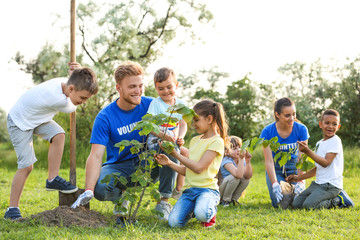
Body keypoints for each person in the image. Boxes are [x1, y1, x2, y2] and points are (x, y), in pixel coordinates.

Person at [71, 61, 178, 220]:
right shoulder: (105, 117)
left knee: (170, 145)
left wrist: (176, 135)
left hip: (148, 164)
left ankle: (164, 201)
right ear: (118, 88)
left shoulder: (151, 105)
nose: (138, 91)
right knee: (99, 187)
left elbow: (175, 121)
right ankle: (122, 196)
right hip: (119, 166)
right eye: (132, 87)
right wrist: (88, 190)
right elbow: (95, 156)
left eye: (140, 85)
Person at [4, 63, 98, 220]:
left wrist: (79, 72)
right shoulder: (58, 99)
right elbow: (71, 107)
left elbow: (74, 79)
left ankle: (52, 179)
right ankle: (12, 209)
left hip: (37, 118)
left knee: (58, 135)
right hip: (19, 121)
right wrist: (75, 73)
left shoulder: (66, 83)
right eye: (82, 98)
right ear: (71, 89)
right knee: (26, 166)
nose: (83, 102)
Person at [155, 99, 228, 228]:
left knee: (203, 214)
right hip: (189, 192)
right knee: (174, 223)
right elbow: (188, 170)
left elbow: (199, 168)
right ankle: (195, 208)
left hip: (207, 191)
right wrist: (169, 163)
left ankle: (207, 212)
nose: (193, 124)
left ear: (209, 119)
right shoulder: (195, 140)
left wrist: (175, 154)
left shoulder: (217, 141)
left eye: (196, 120)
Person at [286, 109, 355, 209]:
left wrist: (308, 151)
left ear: (338, 127)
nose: (330, 126)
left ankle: (338, 200)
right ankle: (326, 197)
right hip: (318, 184)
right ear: (320, 124)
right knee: (296, 204)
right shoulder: (319, 144)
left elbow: (326, 163)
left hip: (331, 186)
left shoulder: (335, 140)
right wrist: (298, 178)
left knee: (308, 205)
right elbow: (318, 168)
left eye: (334, 124)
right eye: (327, 123)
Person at [145, 67, 187, 219]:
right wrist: (163, 135)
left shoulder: (180, 104)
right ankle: (164, 200)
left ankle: (179, 188)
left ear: (176, 85)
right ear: (156, 88)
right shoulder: (156, 104)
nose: (165, 91)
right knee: (171, 149)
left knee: (185, 153)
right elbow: (149, 126)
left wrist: (181, 136)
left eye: (169, 87)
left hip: (172, 140)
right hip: (155, 139)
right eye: (161, 88)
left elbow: (183, 124)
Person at [260, 97, 309, 208]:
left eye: (294, 114)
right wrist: (274, 183)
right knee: (280, 204)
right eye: (287, 115)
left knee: (298, 203)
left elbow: (301, 158)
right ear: (277, 115)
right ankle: (283, 191)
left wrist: (301, 180)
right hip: (276, 168)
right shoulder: (267, 132)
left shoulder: (301, 129)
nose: (292, 118)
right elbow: (269, 161)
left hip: (294, 167)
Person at [219, 136, 253, 207]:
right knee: (235, 178)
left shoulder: (241, 160)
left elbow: (248, 175)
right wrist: (241, 159)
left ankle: (234, 200)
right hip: (222, 190)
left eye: (240, 147)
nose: (238, 150)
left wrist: (247, 161)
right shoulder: (226, 161)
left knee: (246, 179)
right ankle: (225, 200)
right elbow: (238, 175)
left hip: (231, 188)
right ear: (227, 152)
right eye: (234, 148)